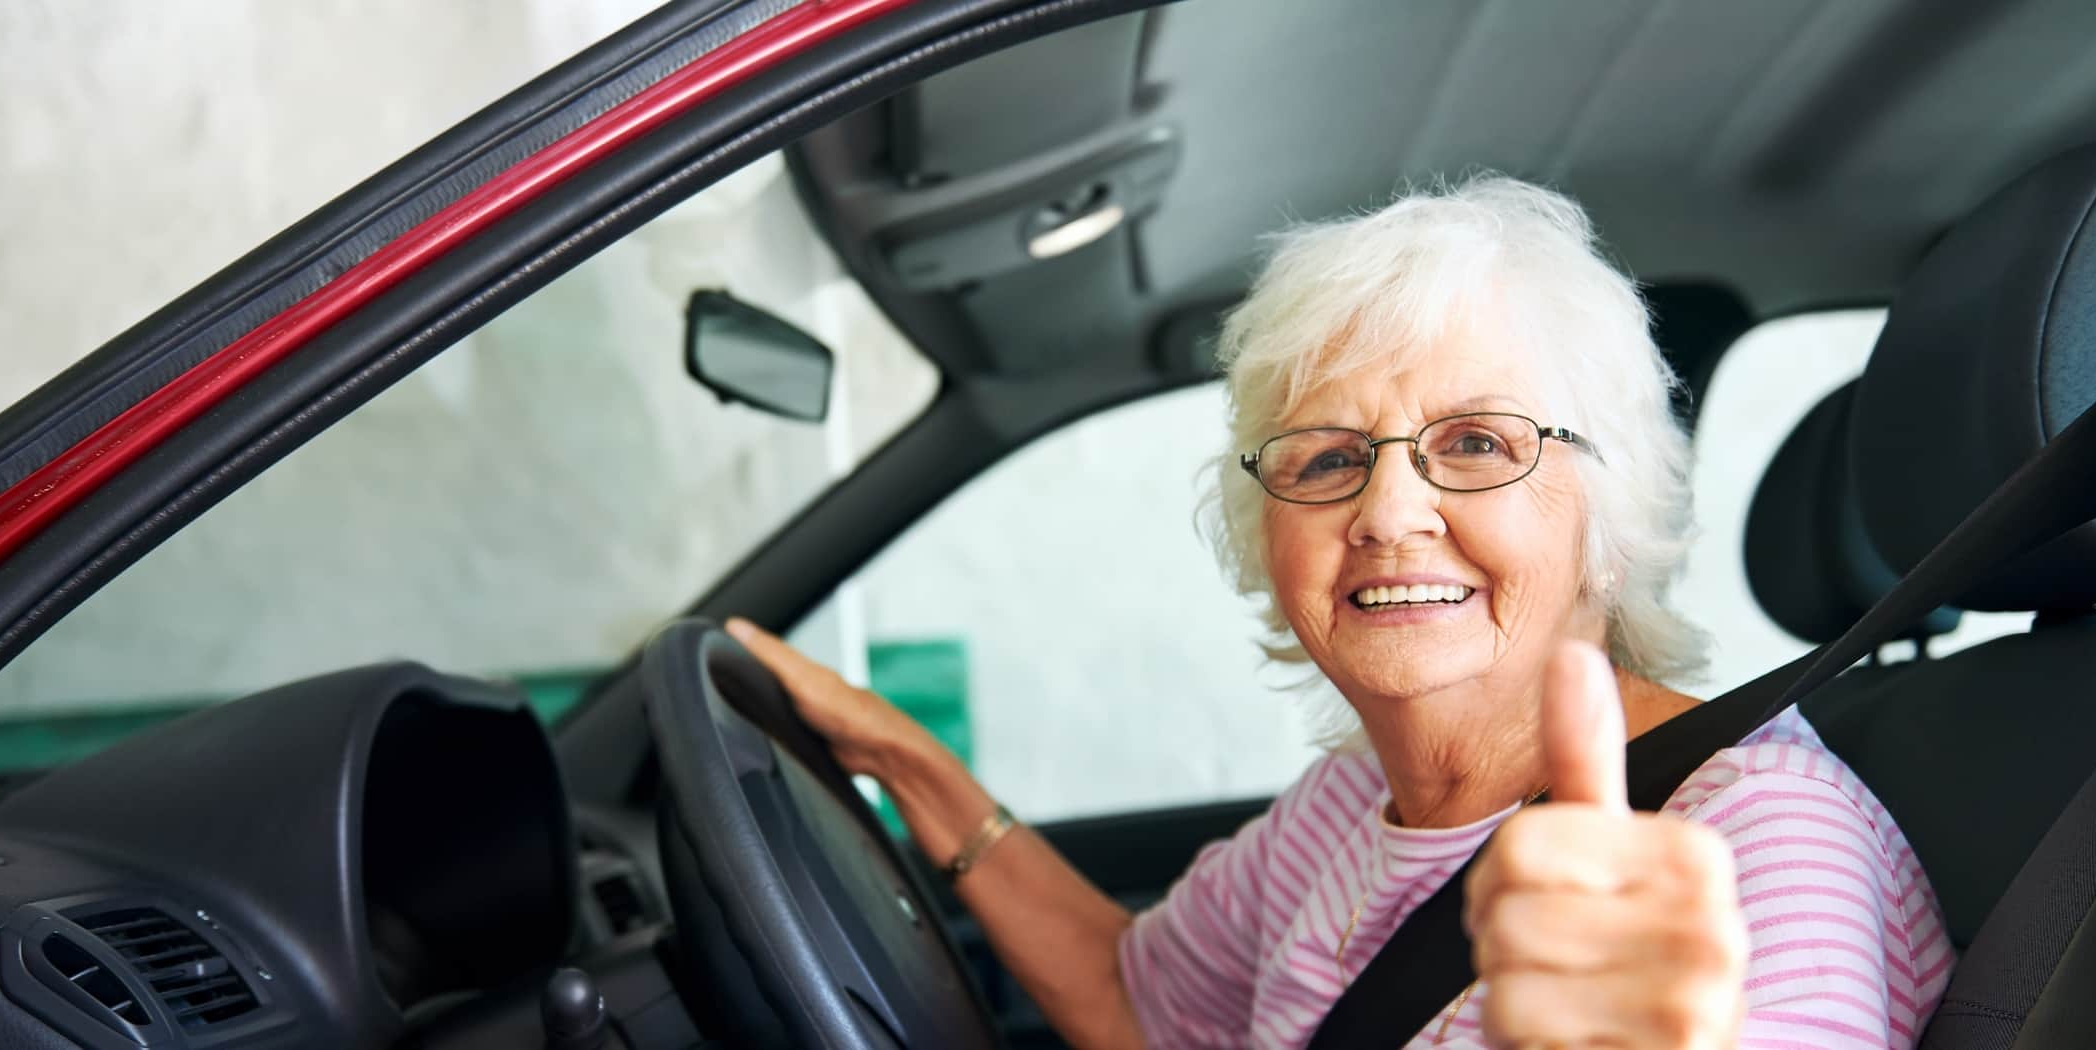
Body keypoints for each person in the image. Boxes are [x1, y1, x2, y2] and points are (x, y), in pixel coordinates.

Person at [727, 176, 1953, 1048]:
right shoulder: (1338, 813)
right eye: (1322, 459)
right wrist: (908, 763)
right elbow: (1129, 999)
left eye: (1475, 442)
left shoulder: (1757, 839)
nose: (1386, 511)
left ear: (1606, 512)